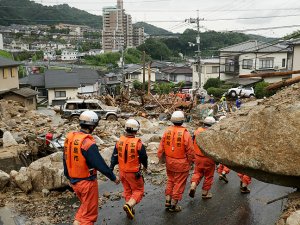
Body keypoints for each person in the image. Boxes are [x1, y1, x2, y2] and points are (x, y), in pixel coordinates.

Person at [63, 111, 120, 225]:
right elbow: (99, 164)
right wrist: (113, 177)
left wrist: (68, 176)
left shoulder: (70, 138)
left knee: (84, 208)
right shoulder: (87, 143)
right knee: (89, 215)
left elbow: (65, 159)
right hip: (87, 183)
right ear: (92, 126)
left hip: (74, 181)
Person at [110, 119, 148, 220]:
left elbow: (114, 157)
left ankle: (129, 208)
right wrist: (145, 167)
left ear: (126, 129)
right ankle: (129, 205)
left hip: (122, 172)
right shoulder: (138, 144)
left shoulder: (119, 142)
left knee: (127, 190)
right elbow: (144, 158)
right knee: (138, 190)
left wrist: (111, 168)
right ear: (136, 131)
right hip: (133, 173)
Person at [157, 111, 194, 212]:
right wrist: (191, 162)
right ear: (183, 121)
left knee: (170, 180)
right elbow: (190, 151)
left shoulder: (167, 131)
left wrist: (161, 158)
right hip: (181, 163)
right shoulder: (185, 134)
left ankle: (168, 200)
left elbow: (161, 147)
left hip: (169, 162)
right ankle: (173, 205)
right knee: (179, 183)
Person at [189, 116, 216, 199]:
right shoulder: (213, 133)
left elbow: (192, 143)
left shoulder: (197, 131)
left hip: (197, 157)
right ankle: (205, 193)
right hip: (209, 158)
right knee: (208, 176)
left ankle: (193, 185)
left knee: (197, 172)